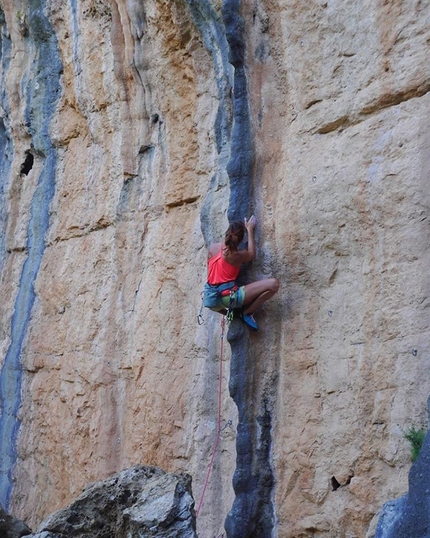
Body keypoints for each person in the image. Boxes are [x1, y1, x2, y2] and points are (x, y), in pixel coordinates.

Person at [205, 216, 279, 331]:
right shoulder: (237, 255)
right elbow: (252, 254)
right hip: (230, 298)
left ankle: (232, 314)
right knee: (274, 284)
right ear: (240, 240)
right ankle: (247, 312)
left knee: (223, 299)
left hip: (212, 300)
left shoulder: (212, 248)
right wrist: (250, 229)